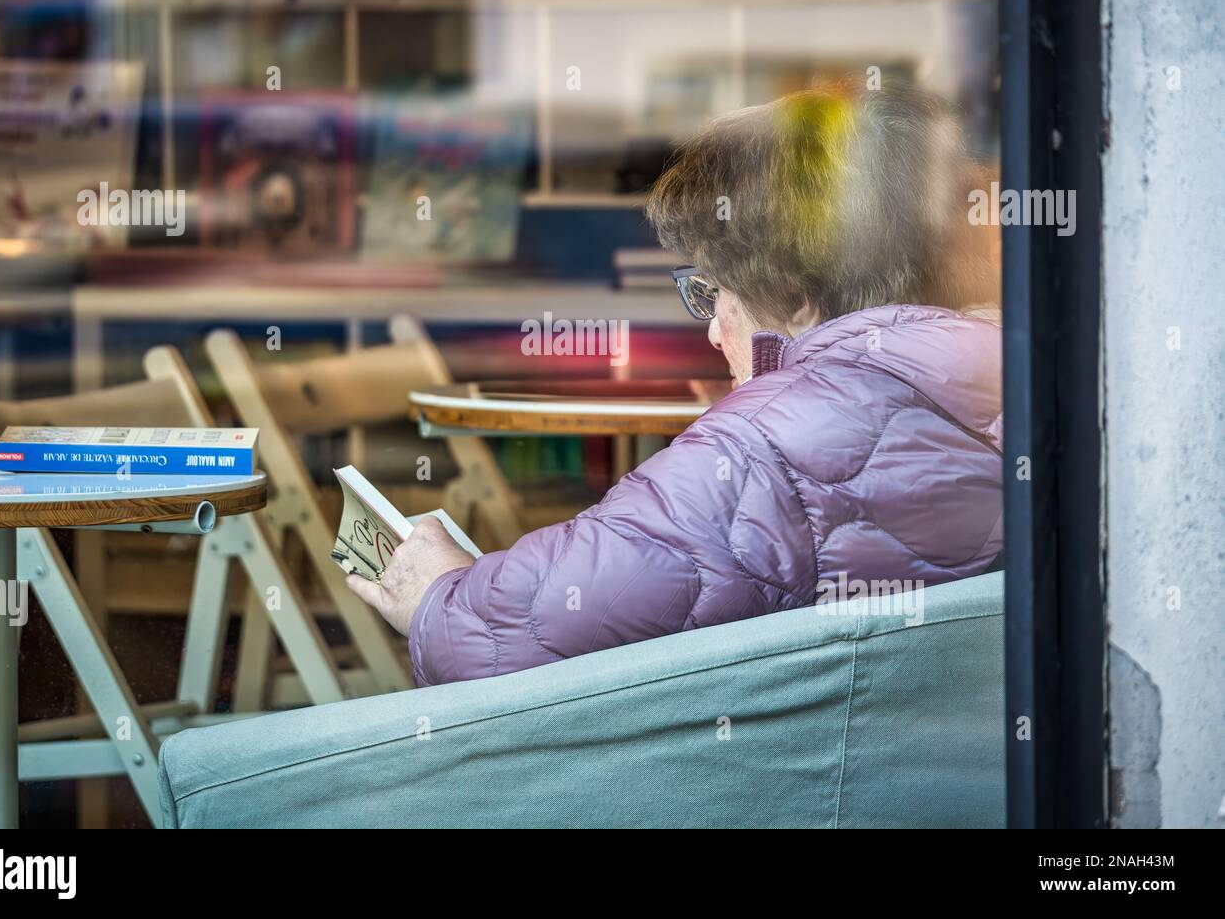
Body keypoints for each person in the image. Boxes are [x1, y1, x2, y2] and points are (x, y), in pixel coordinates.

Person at [348, 80, 1004, 687]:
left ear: (792, 296)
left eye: (715, 291)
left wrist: (438, 593)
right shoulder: (1037, 385)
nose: (715, 333)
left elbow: (495, 643)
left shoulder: (766, 452)